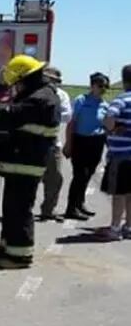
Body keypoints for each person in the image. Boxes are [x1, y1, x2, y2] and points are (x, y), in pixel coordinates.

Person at [0, 55, 60, 268]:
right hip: (22, 160)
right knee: (11, 207)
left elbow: (8, 117)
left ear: (23, 78)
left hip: (26, 161)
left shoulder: (39, 98)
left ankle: (20, 256)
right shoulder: (39, 94)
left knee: (19, 209)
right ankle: (7, 247)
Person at [63, 72, 109, 219]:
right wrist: (69, 144)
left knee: (88, 174)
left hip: (97, 142)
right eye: (100, 86)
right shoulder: (81, 101)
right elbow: (72, 123)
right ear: (92, 86)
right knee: (79, 175)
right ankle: (71, 208)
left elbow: (106, 127)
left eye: (105, 86)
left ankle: (80, 203)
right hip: (81, 141)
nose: (103, 89)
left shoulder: (104, 105)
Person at [99, 65, 131, 240]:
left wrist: (112, 128)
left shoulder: (121, 100)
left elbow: (109, 119)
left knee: (118, 193)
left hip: (120, 155)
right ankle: (129, 227)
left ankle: (115, 228)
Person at [37, 66, 72, 221]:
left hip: (53, 143)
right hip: (33, 143)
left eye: (54, 80)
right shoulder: (35, 93)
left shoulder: (61, 95)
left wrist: (49, 114)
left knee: (55, 178)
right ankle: (22, 209)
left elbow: (66, 115)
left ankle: (48, 210)